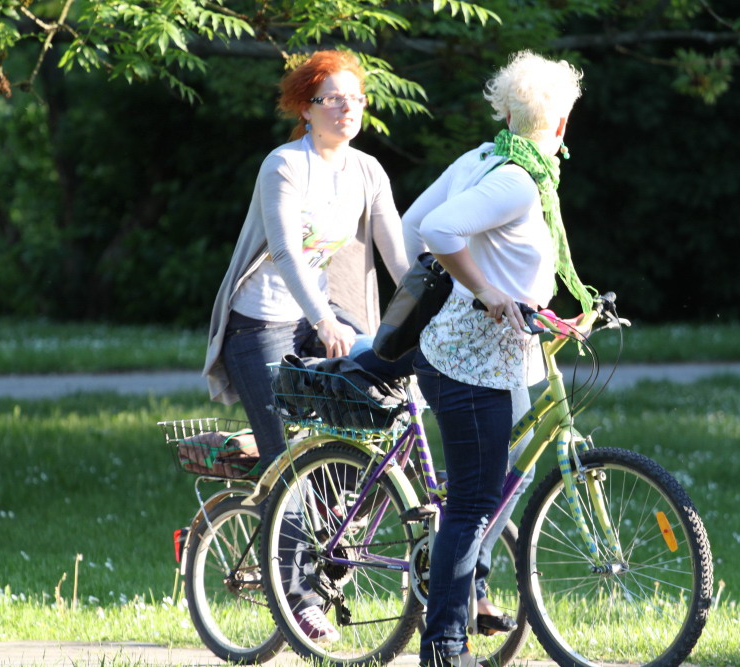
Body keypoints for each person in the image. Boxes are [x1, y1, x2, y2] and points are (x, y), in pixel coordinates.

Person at [202, 49, 409, 643]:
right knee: (288, 458)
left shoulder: (367, 171)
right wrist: (323, 318)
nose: (347, 108)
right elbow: (287, 251)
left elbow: (400, 259)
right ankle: (297, 597)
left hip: (319, 316)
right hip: (261, 323)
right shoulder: (284, 165)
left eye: (355, 98)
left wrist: (438, 310)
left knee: (387, 398)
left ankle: (336, 520)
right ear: (307, 108)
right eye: (332, 99)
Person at [402, 50, 597, 666]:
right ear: (561, 123)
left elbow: (411, 225)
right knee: (471, 503)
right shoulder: (516, 180)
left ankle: (472, 591)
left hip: (495, 356)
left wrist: (527, 303)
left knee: (500, 479)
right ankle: (444, 646)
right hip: (468, 364)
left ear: (507, 114)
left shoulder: (483, 160)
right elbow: (436, 230)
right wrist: (479, 290)